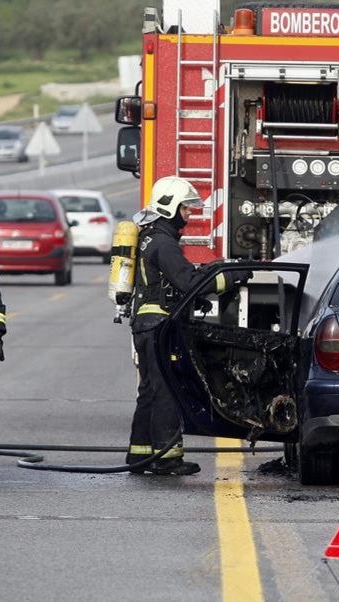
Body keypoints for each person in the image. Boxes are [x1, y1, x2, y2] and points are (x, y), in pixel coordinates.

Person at [125, 176, 247, 476]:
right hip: (157, 325)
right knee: (166, 388)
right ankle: (167, 458)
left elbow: (173, 282)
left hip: (146, 323)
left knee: (150, 390)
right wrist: (230, 277)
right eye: (185, 208)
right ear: (169, 207)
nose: (189, 215)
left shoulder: (152, 237)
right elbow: (188, 282)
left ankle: (140, 454)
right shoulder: (164, 244)